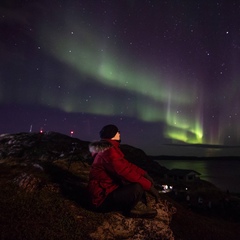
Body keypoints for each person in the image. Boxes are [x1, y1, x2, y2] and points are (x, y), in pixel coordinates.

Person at [87, 124, 159, 218]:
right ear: (113, 134)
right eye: (118, 132)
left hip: (106, 191)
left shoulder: (109, 149)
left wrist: (144, 174)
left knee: (134, 184)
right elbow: (124, 172)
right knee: (137, 187)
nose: (119, 133)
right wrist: (149, 187)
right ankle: (131, 209)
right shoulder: (108, 151)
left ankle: (136, 204)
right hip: (101, 200)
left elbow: (127, 165)